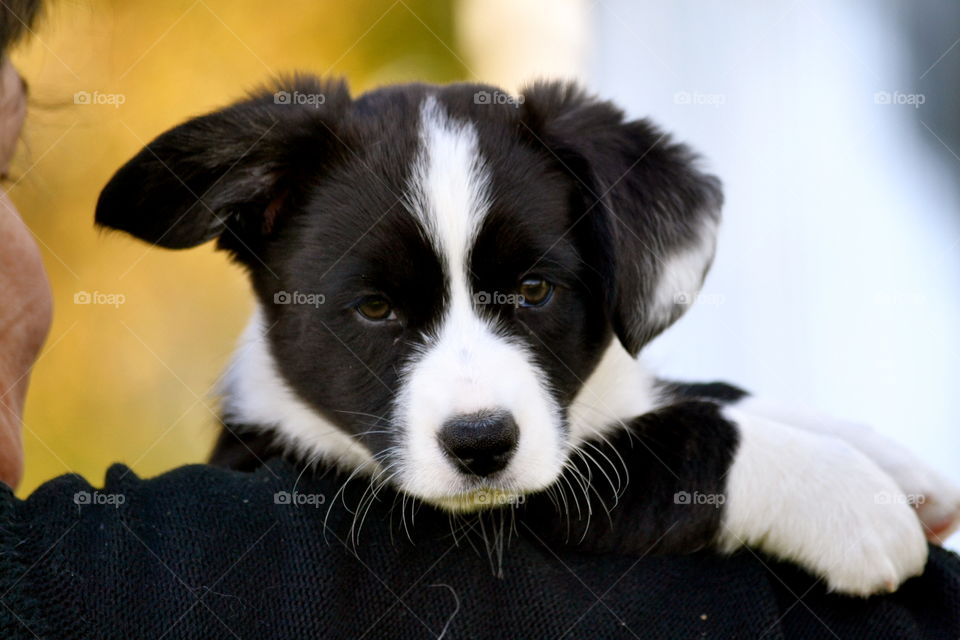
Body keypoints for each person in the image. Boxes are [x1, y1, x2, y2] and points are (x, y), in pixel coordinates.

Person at [0, 3, 958, 639]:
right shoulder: (247, 539)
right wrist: (747, 469)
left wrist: (761, 433)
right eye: (377, 307)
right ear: (264, 223)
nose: (474, 400)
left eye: (531, 295)